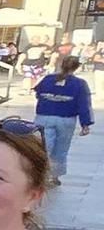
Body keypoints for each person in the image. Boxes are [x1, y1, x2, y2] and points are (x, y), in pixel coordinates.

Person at [31, 54, 92, 186]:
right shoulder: (80, 84)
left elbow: (38, 93)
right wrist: (85, 124)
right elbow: (83, 104)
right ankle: (54, 176)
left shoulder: (48, 79)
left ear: (61, 64)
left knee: (43, 146)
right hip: (66, 119)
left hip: (44, 116)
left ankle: (39, 173)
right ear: (76, 68)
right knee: (61, 148)